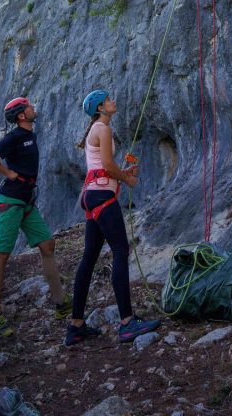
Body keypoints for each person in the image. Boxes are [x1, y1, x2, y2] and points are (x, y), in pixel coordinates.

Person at [65, 89, 161, 346]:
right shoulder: (103, 129)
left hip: (93, 196)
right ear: (100, 108)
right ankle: (127, 323)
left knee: (89, 258)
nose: (113, 101)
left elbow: (103, 166)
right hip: (102, 198)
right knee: (120, 251)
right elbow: (107, 165)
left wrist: (121, 172)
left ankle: (76, 325)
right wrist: (127, 177)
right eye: (108, 100)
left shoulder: (96, 129)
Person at [0, 96, 71, 338]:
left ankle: (61, 302)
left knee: (47, 244)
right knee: (2, 255)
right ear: (22, 115)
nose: (34, 109)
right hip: (11, 201)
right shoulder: (14, 137)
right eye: (29, 107)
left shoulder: (30, 135)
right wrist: (9, 173)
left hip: (26, 201)